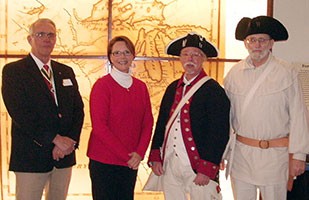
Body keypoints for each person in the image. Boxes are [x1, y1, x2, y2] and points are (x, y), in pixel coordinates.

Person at [223, 15, 309, 200]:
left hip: (275, 157)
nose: (257, 45)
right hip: (241, 156)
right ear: (246, 43)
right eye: (252, 40)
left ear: (271, 43)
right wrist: (224, 152)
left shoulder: (286, 72)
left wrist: (299, 155)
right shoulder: (234, 74)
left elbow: (299, 115)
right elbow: (227, 117)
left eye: (262, 40)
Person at [1, 18, 84, 200]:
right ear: (30, 39)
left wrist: (69, 141)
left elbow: (78, 110)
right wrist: (55, 139)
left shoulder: (66, 71)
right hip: (31, 157)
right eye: (40, 34)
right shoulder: (14, 71)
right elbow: (20, 113)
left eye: (51, 35)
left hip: (64, 157)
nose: (46, 39)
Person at [147, 32, 230, 200]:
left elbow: (219, 132)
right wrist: (156, 156)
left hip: (198, 165)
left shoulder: (214, 91)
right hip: (171, 162)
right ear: (180, 58)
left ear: (203, 58)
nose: (190, 58)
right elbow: (162, 122)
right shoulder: (172, 88)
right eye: (185, 54)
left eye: (196, 54)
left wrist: (207, 167)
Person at [87, 35, 154, 200]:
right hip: (105, 162)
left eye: (126, 52)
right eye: (116, 53)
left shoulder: (141, 87)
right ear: (110, 57)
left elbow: (148, 123)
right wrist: (128, 157)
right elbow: (100, 127)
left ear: (133, 55)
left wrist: (139, 153)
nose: (121, 57)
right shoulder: (102, 86)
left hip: (131, 162)